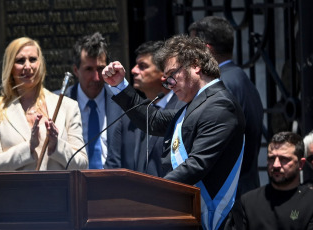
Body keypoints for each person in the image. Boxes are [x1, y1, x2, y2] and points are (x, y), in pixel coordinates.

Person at [102, 34, 246, 230]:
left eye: (172, 76)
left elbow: (196, 164)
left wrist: (148, 192)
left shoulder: (219, 104)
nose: (169, 84)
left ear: (195, 65)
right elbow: (152, 120)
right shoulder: (196, 105)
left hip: (215, 220)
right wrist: (119, 85)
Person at [0, 37, 88, 171]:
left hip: (60, 191)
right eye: (20, 61)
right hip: (16, 191)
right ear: (10, 67)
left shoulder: (67, 106)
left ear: (41, 64)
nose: (28, 66)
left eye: (33, 59)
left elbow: (82, 164)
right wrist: (29, 148)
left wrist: (57, 146)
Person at [189, 16, 264, 196]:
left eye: (190, 48)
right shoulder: (239, 78)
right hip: (243, 188)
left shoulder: (220, 85)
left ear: (206, 49)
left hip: (227, 196)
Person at [106, 41, 185, 176]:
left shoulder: (182, 110)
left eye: (143, 66)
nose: (133, 70)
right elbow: (113, 165)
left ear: (164, 73)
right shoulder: (129, 116)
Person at [57, 32, 130, 169]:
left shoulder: (122, 103)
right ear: (76, 70)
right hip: (71, 183)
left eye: (100, 69)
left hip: (112, 184)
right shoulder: (59, 104)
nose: (96, 78)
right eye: (89, 69)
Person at [227, 131, 313, 230]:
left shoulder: (310, 202)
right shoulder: (248, 202)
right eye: (271, 158)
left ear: (301, 164)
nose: (276, 165)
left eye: (284, 159)